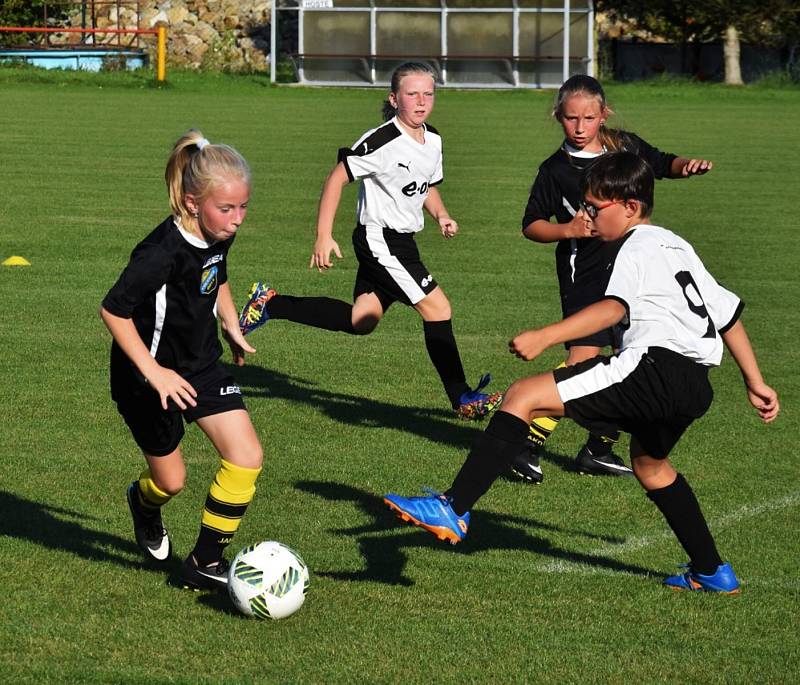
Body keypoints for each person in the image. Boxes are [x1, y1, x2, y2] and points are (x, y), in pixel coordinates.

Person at [383, 152, 779, 593]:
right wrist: (755, 380)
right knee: (653, 468)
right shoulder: (676, 244)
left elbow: (614, 308)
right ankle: (712, 571)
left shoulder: (634, 246)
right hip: (694, 385)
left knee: (524, 396)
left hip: (651, 367)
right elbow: (727, 315)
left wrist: (546, 336)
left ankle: (453, 507)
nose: (586, 215)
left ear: (630, 207)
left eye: (595, 207)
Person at [238, 62, 501, 421]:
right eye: (412, 94)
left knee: (362, 319)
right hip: (380, 239)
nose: (421, 102)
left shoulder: (433, 138)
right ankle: (462, 397)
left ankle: (270, 303)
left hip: (402, 241)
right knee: (438, 308)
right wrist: (323, 236)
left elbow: (427, 186)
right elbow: (336, 179)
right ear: (394, 99)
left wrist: (441, 215)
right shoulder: (381, 141)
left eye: (428, 93)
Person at [512, 74, 714, 483]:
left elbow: (662, 162)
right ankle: (525, 446)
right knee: (583, 361)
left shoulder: (624, 146)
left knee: (629, 359)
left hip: (635, 270)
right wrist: (567, 230)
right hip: (585, 276)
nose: (581, 127)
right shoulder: (555, 169)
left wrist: (685, 166)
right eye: (571, 119)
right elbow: (531, 224)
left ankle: (597, 449)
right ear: (559, 118)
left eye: (589, 117)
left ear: (604, 113)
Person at [100, 130, 264, 591]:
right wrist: (154, 373)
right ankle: (143, 504)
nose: (236, 221)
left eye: (243, 207)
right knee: (171, 482)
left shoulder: (217, 231)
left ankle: (204, 563)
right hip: (145, 377)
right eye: (226, 209)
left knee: (246, 456)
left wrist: (229, 321)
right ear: (193, 203)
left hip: (201, 365)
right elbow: (113, 310)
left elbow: (216, 272)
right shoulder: (160, 254)